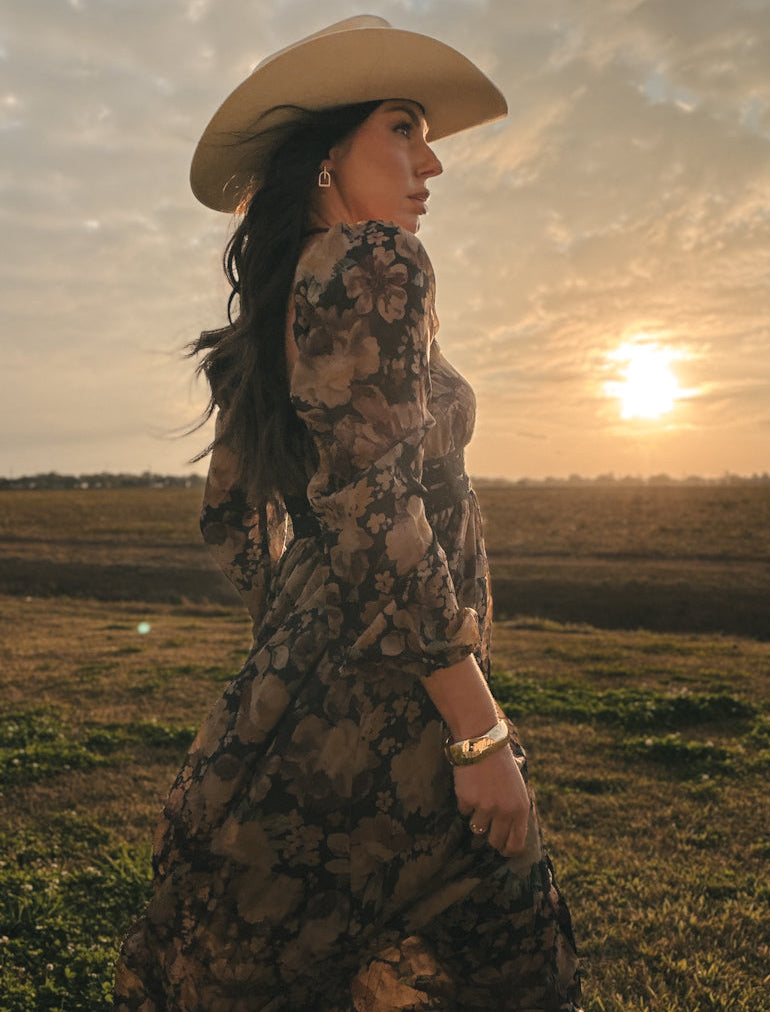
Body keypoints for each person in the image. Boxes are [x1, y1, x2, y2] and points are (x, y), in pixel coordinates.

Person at [114, 15, 582, 1012]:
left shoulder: (293, 291)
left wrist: (297, 640)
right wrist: (480, 737)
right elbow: (376, 505)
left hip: (307, 702)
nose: (433, 163)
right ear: (329, 154)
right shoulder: (376, 263)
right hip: (398, 710)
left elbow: (231, 518)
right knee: (517, 970)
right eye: (403, 129)